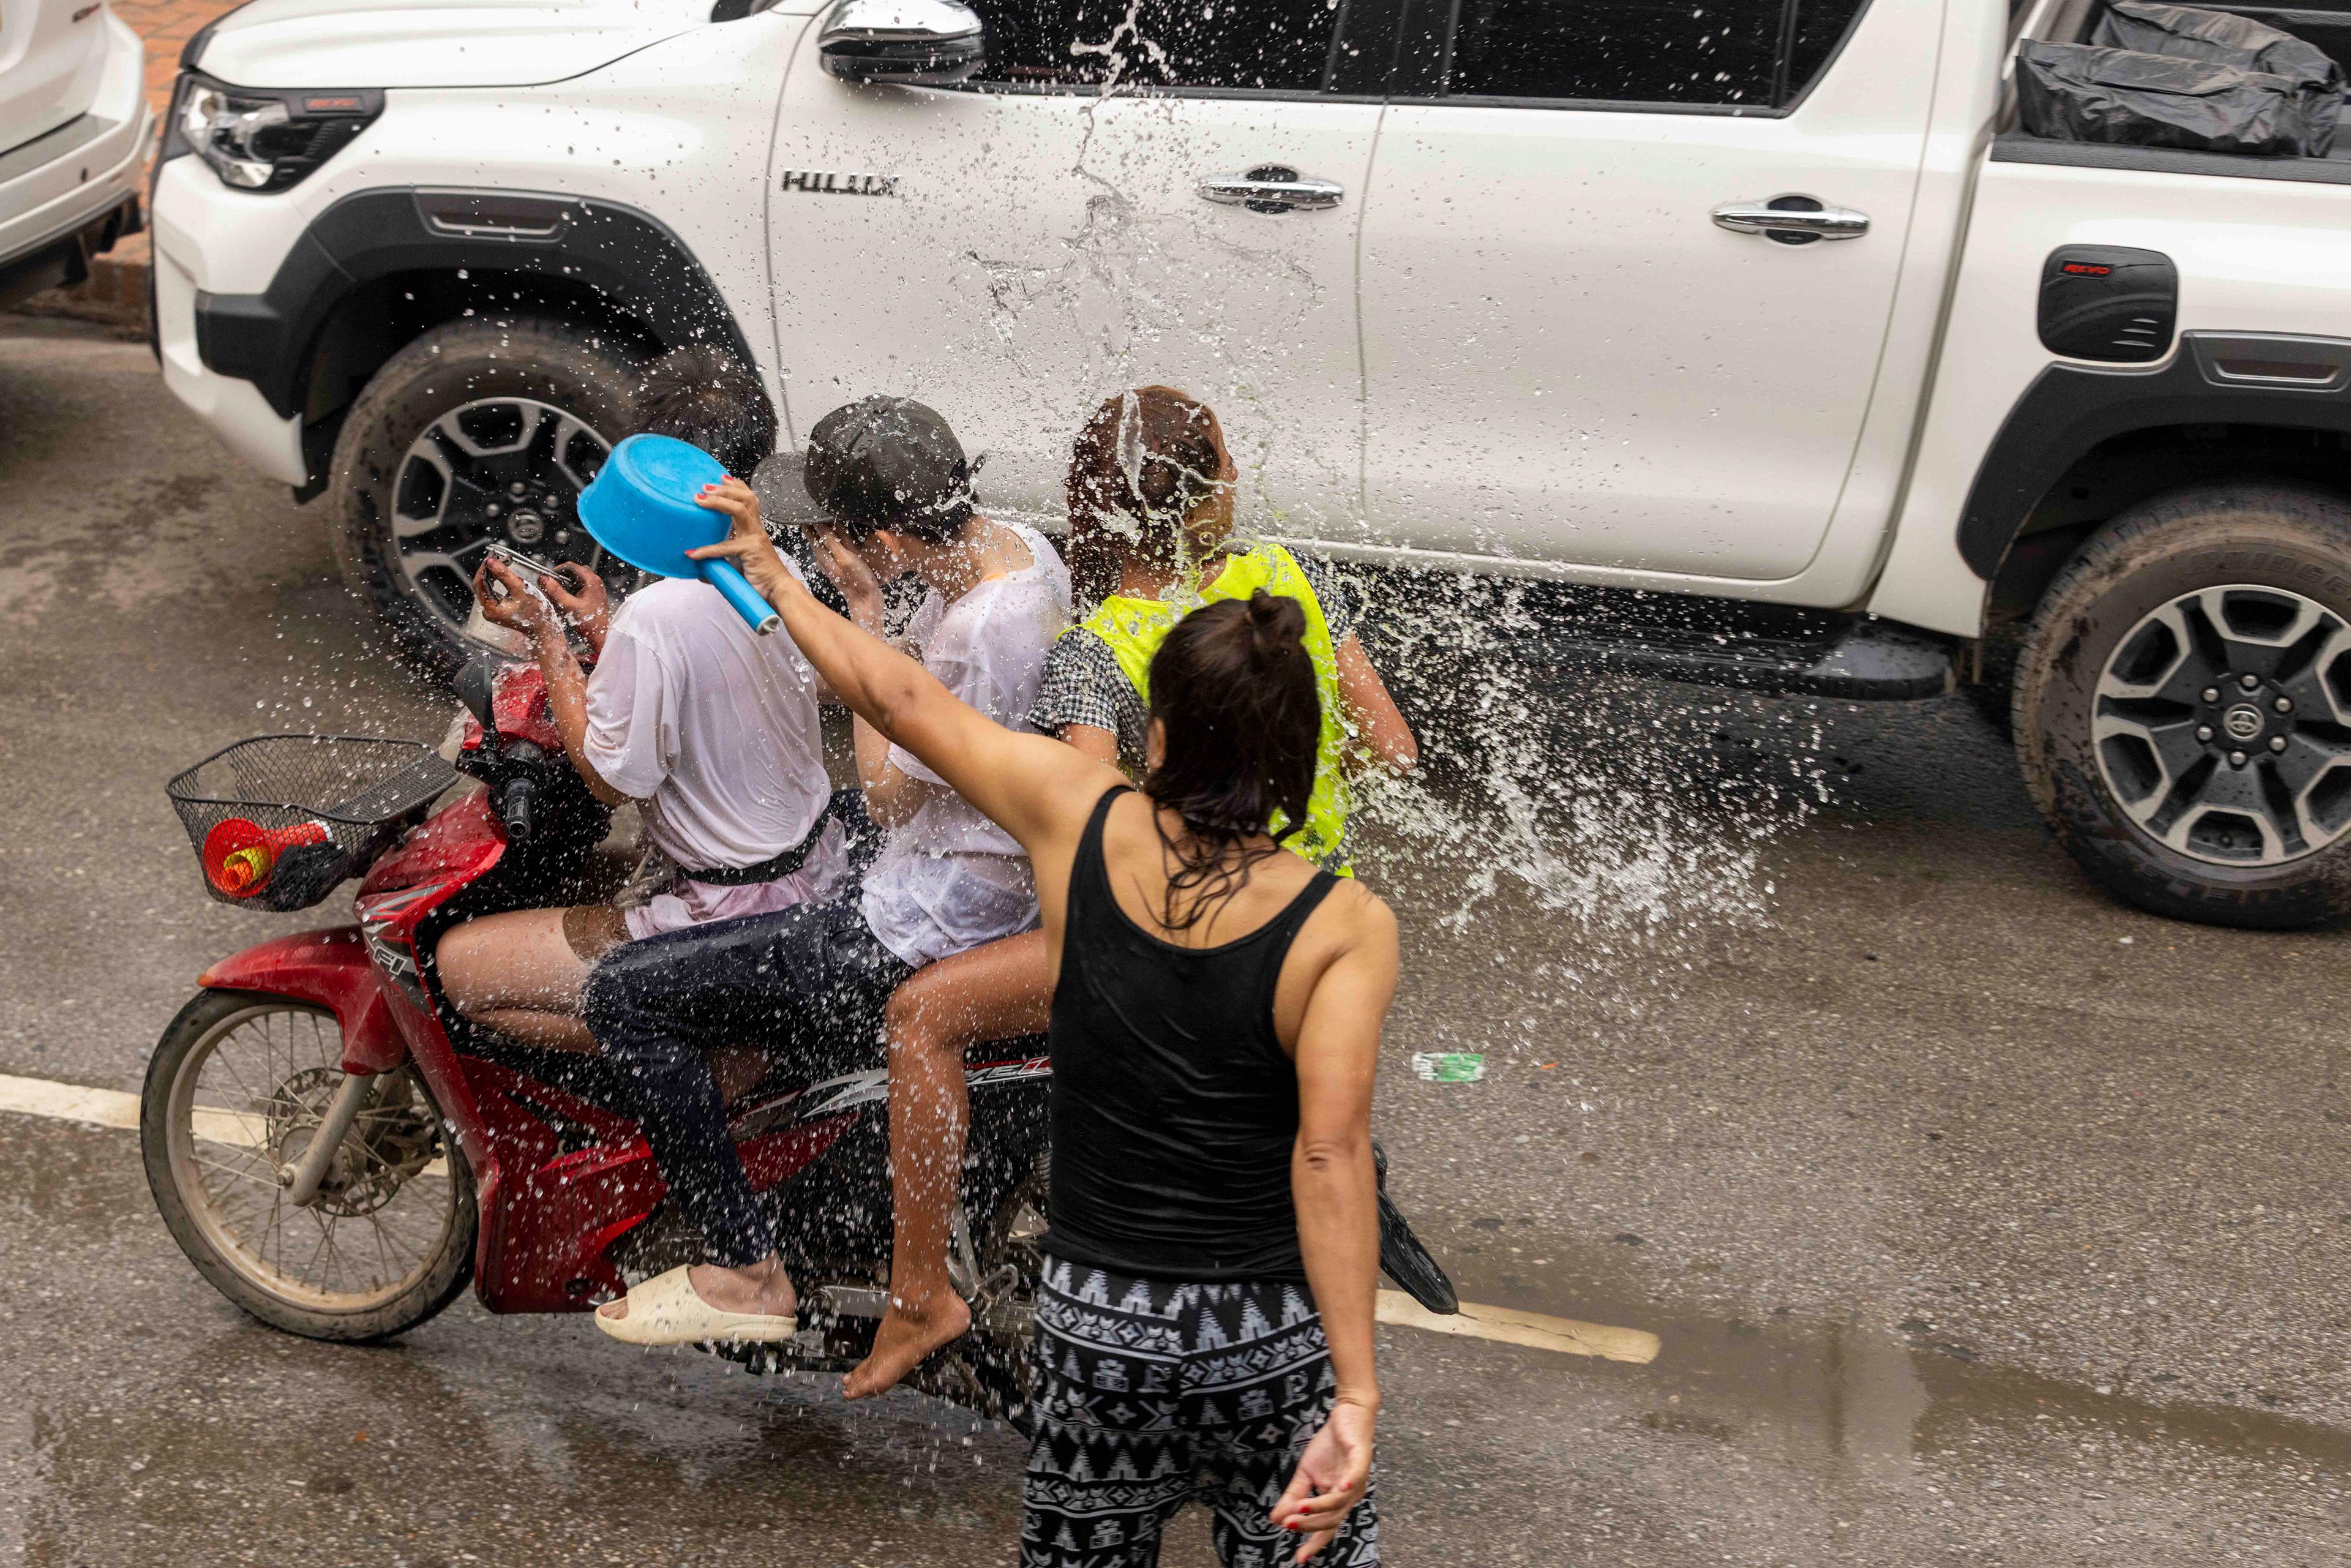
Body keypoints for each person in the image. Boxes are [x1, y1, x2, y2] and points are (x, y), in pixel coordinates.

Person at [697, 492, 1392, 1565]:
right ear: (1302, 744)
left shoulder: (1083, 815)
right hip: (1266, 1337)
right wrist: (1353, 1392)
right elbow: (1330, 1154)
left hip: (1101, 1325)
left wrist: (775, 576)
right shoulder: (1343, 925)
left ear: (1157, 731)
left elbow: (898, 696)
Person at [842, 386, 1416, 1400]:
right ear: (1218, 484)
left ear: (1093, 503)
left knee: (921, 1013)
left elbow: (1096, 847)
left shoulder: (1100, 651)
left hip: (1183, 940)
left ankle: (918, 1294)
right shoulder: (1289, 585)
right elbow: (1393, 753)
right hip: (1314, 925)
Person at [585, 396, 1071, 1344]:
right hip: (982, 867)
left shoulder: (978, 634)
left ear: (885, 535)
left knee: (622, 997)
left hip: (928, 918)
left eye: (841, 531)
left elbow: (889, 790)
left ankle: (743, 1264)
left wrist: (862, 611)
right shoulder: (1020, 549)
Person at [434, 348, 848, 1061]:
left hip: (730, 917)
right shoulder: (770, 576)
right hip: (811, 874)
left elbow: (611, 777)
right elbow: (706, 686)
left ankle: (712, 1057)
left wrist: (549, 641)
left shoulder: (654, 616)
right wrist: (598, 625)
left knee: (462, 966)